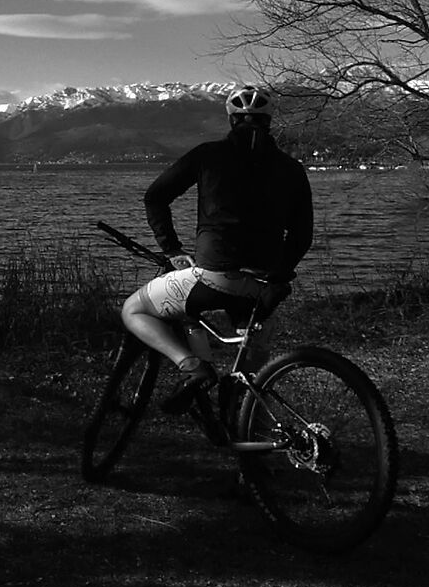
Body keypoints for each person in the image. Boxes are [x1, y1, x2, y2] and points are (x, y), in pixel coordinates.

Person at [121, 84, 313, 413]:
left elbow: (155, 197)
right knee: (249, 380)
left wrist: (172, 249)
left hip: (214, 277)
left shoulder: (208, 155)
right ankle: (248, 430)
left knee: (132, 310)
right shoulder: (292, 169)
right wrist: (278, 274)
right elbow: (302, 235)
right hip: (263, 286)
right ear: (268, 122)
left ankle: (193, 367)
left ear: (231, 119)